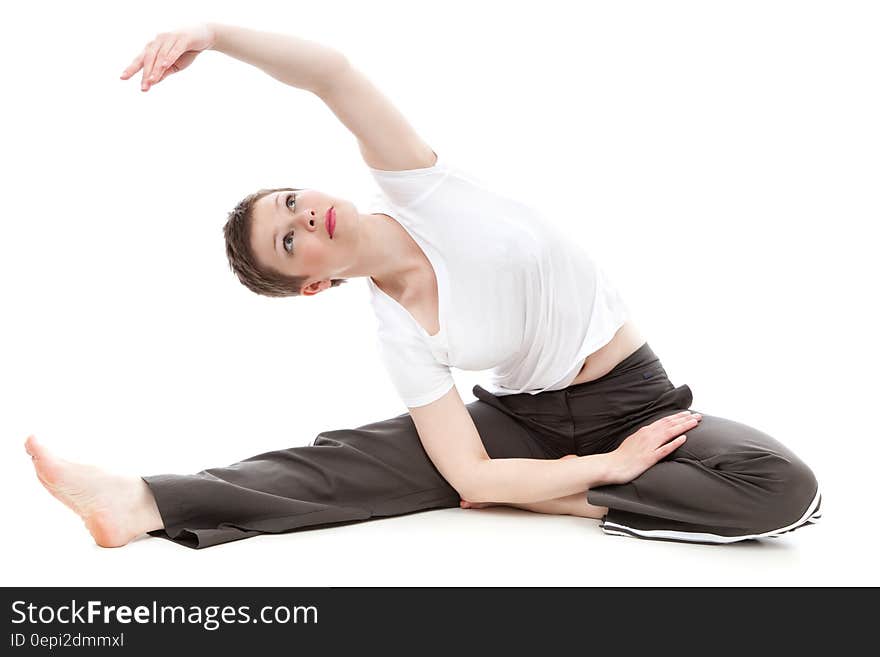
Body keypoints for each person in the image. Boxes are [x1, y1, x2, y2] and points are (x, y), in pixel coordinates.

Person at [24, 22, 822, 549]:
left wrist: (215, 35)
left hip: (636, 399)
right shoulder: (400, 332)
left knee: (783, 488)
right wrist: (603, 470)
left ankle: (553, 501)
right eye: (290, 238)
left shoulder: (418, 184)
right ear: (313, 285)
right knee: (351, 462)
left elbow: (331, 74)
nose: (308, 218)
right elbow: (474, 475)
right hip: (531, 422)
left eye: (295, 203)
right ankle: (144, 500)